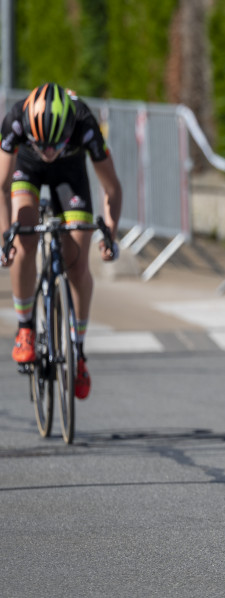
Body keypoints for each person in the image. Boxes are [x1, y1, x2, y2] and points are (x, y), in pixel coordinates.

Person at [0, 82, 122, 400]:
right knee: (23, 241)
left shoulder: (84, 123)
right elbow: (0, 187)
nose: (49, 152)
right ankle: (25, 329)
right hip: (26, 171)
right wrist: (5, 237)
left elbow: (112, 189)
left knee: (77, 262)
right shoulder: (16, 120)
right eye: (42, 143)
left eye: (56, 144)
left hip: (70, 177)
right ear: (29, 131)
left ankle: (78, 352)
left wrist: (110, 232)